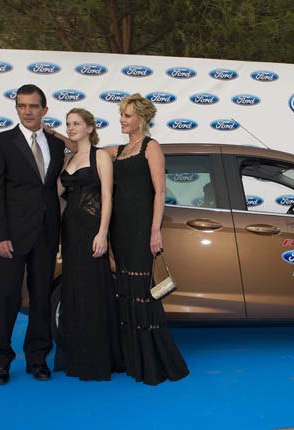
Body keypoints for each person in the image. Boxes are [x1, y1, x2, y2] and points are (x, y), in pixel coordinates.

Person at [104, 93, 189, 385]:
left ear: (142, 118)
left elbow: (160, 192)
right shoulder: (117, 150)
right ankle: (131, 358)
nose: (122, 120)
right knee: (124, 289)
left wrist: (155, 230)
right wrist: (53, 133)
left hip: (141, 228)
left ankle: (150, 362)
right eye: (122, 115)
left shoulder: (151, 147)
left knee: (143, 290)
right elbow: (85, 151)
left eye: (127, 115)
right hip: (118, 229)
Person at [0, 84, 65, 385]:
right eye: (21, 105)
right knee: (6, 299)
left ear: (45, 109)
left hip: (45, 235)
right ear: (16, 108)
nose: (27, 111)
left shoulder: (56, 146)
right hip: (11, 238)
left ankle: (38, 357)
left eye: (33, 106)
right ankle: (1, 361)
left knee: (42, 298)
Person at [53, 108, 122, 380]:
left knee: (93, 290)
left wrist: (103, 232)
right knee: (74, 290)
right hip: (70, 232)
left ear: (90, 128)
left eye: (77, 123)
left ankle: (97, 358)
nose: (71, 127)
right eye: (68, 123)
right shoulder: (68, 159)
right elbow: (55, 193)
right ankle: (78, 355)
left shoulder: (101, 156)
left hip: (93, 230)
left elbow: (107, 196)